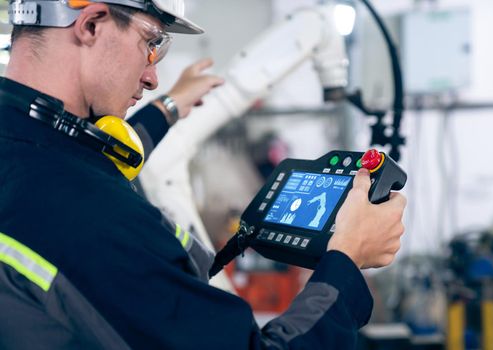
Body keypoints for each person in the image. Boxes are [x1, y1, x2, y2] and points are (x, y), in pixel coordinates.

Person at [0, 0, 407, 349]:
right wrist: (347, 261)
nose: (153, 76)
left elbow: (99, 150)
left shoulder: (30, 151)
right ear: (91, 24)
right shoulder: (88, 215)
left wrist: (170, 108)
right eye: (151, 42)